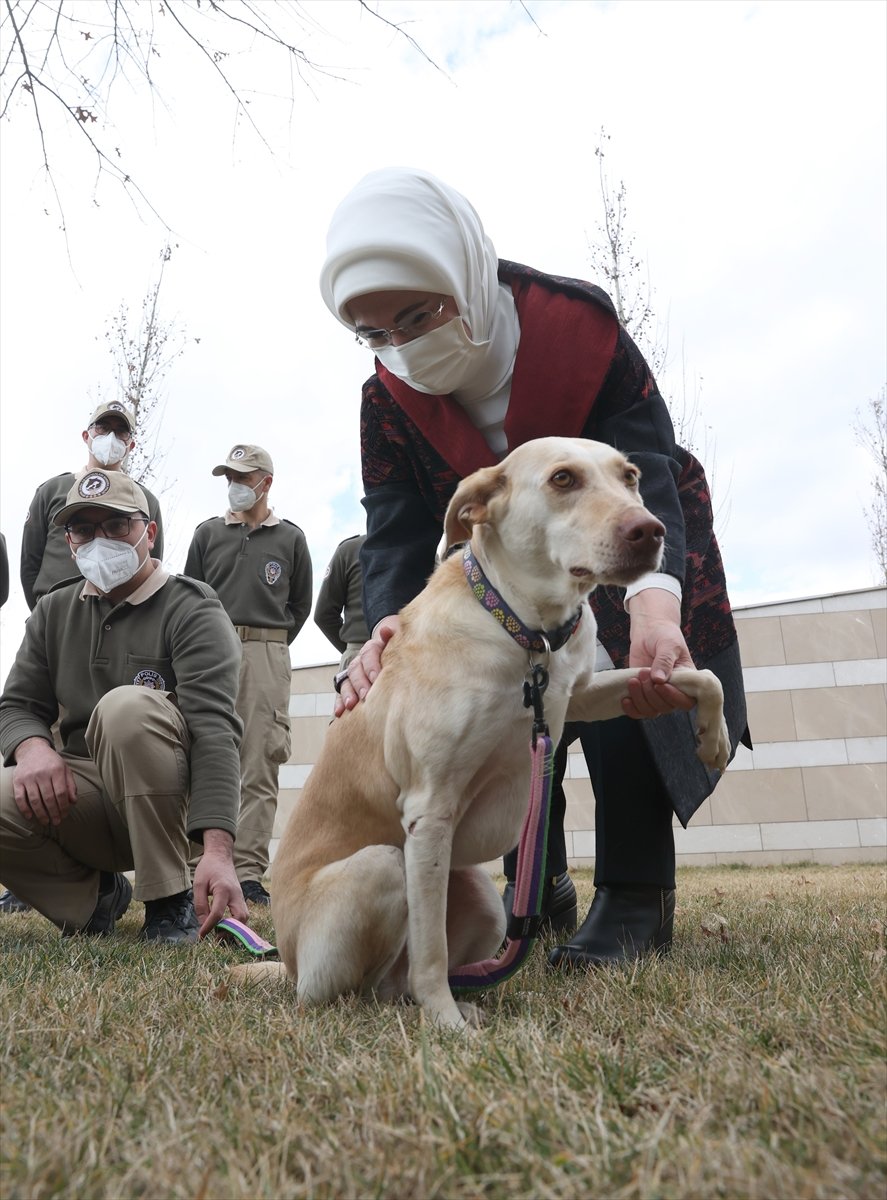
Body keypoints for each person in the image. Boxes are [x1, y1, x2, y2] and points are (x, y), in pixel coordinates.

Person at [319, 167, 750, 969]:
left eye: (417, 315)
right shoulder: (384, 399)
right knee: (492, 689)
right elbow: (394, 529)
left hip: (619, 535)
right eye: (375, 333)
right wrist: (383, 629)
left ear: (462, 274)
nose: (402, 346)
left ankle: (634, 893)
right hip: (497, 566)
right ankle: (535, 884)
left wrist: (656, 607)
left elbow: (647, 464)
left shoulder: (576, 330)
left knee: (622, 663)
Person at [0, 470, 248, 943]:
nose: (101, 541)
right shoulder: (53, 609)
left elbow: (215, 730)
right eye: (84, 530)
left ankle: (169, 898)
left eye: (117, 525)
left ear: (149, 532)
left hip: (172, 804)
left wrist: (217, 851)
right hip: (84, 798)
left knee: (124, 710)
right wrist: (33, 749)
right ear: (69, 542)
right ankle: (94, 898)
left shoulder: (192, 607)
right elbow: (16, 704)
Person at [184, 444, 313, 906]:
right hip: (210, 650)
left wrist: (265, 643)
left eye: (243, 477)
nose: (234, 486)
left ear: (266, 482)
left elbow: (300, 606)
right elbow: (188, 596)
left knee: (260, 760)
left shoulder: (291, 539)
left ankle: (250, 872)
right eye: (230, 478)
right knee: (199, 753)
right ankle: (195, 868)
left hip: (266, 651)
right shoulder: (207, 534)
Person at [19, 401, 165, 611]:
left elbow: (149, 565)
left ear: (131, 445)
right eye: (103, 428)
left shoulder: (146, 500)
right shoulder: (52, 491)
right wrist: (41, 613)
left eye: (121, 431)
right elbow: (29, 564)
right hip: (54, 613)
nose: (111, 436)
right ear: (86, 436)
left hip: (119, 616)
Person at [314, 534, 370, 670]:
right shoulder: (349, 550)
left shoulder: (350, 549)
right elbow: (324, 615)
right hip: (362, 656)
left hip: (359, 655)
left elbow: (323, 615)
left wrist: (353, 650)